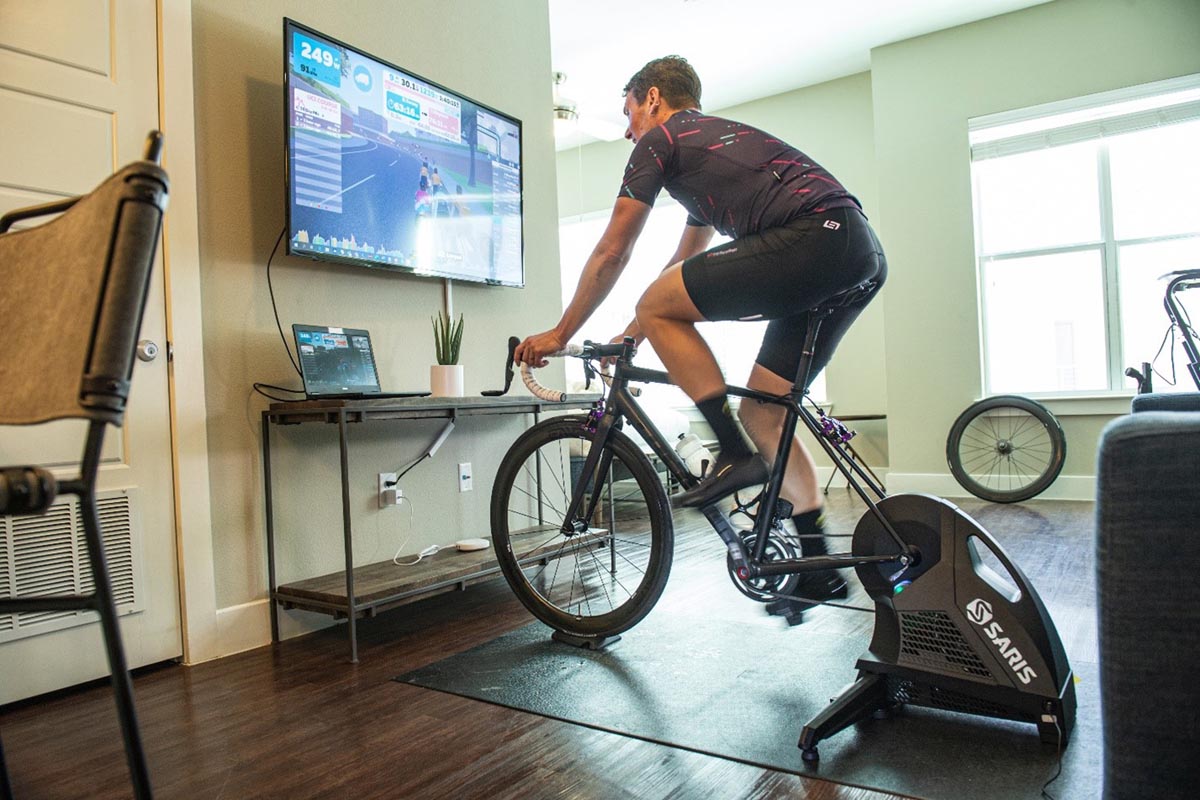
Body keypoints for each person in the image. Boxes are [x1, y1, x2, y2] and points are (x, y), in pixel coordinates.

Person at [515, 56, 886, 600]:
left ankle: (733, 453)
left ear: (654, 99)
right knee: (765, 410)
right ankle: (818, 564)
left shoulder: (663, 140)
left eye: (629, 113)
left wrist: (560, 333)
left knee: (659, 306)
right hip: (855, 252)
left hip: (814, 237)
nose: (626, 130)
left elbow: (613, 249)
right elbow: (681, 269)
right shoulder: (712, 156)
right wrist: (630, 335)